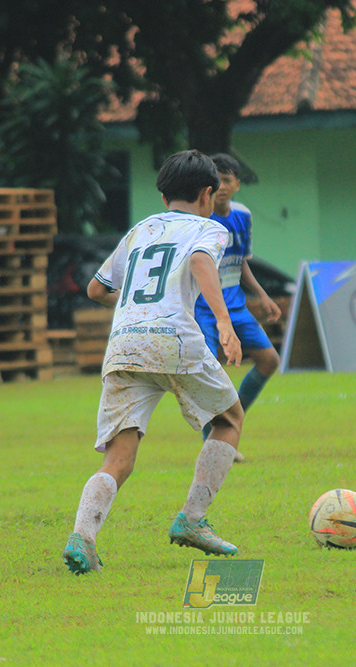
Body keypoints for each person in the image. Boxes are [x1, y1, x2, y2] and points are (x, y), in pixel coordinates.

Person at [62, 150, 245, 575]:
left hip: (124, 345)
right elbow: (200, 261)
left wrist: (134, 307)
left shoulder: (140, 230)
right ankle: (193, 520)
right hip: (175, 341)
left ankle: (82, 538)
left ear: (163, 196)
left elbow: (95, 288)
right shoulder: (209, 228)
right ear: (208, 193)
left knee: (118, 458)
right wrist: (223, 321)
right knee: (230, 419)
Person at [193, 154, 282, 462]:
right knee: (209, 372)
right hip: (204, 308)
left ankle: (230, 423)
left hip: (237, 306)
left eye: (228, 179)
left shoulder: (242, 216)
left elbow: (241, 261)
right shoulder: (200, 222)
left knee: (269, 360)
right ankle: (216, 444)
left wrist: (262, 295)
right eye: (216, 180)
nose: (221, 186)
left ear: (237, 185)